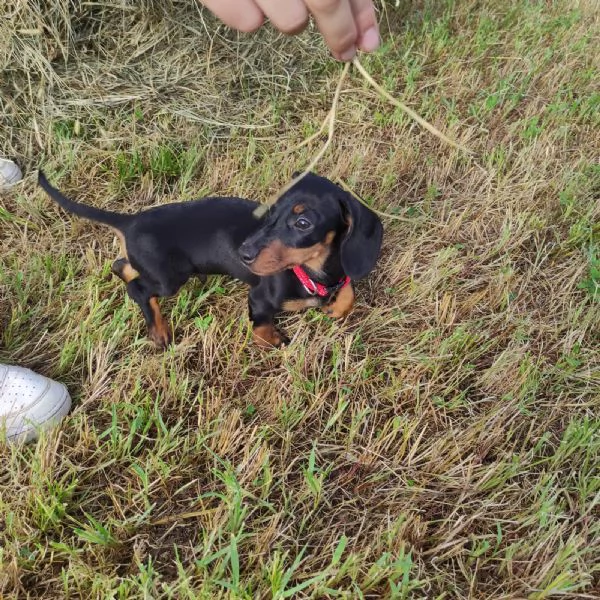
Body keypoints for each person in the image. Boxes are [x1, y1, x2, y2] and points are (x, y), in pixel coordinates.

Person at [0, 0, 380, 443]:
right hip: (165, 245)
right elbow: (260, 301)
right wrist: (263, 329)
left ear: (346, 229)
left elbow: (344, 271)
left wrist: (342, 292)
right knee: (166, 282)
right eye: (274, 214)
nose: (255, 246)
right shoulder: (280, 284)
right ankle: (137, 282)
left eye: (298, 225)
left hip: (162, 234)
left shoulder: (343, 245)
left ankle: (126, 261)